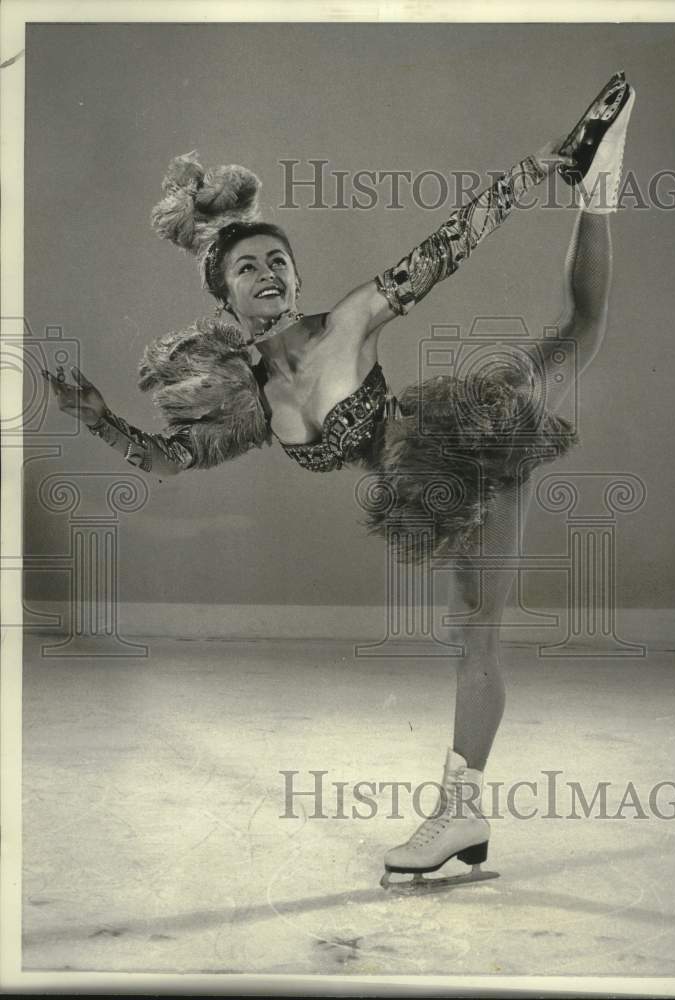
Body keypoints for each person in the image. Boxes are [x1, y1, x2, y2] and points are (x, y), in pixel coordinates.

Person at [45, 72, 635, 890]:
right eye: (249, 266)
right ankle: (599, 184)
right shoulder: (247, 399)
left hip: (459, 444)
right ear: (224, 293)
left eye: (279, 259)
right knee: (576, 341)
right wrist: (94, 417)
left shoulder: (347, 321)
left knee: (476, 628)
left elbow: (452, 242)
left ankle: (589, 177)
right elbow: (168, 459)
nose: (269, 273)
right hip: (416, 487)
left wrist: (536, 167)